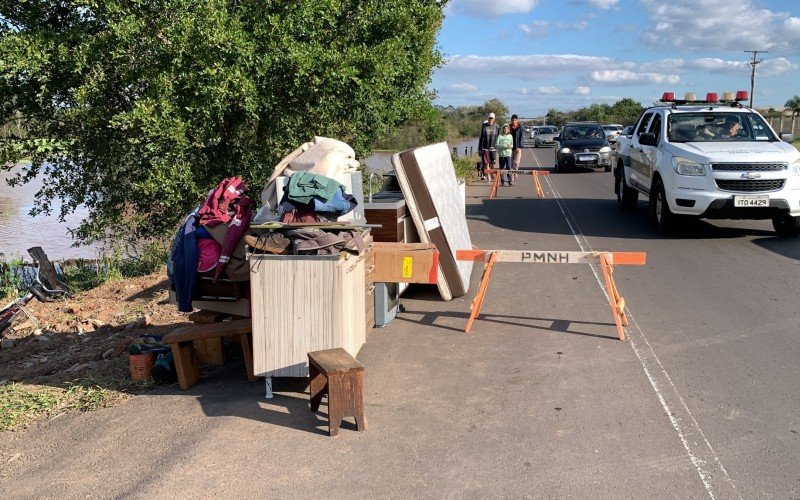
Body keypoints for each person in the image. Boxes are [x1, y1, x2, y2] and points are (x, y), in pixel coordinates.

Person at [478, 112, 500, 181]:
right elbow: (481, 138)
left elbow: (499, 138)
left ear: (494, 119)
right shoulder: (484, 126)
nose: (490, 120)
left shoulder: (497, 127)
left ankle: (490, 173)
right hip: (485, 148)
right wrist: (479, 149)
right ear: (488, 119)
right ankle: (486, 176)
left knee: (492, 163)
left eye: (492, 119)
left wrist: (499, 148)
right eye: (489, 119)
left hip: (493, 149)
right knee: (485, 163)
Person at [509, 114, 524, 180]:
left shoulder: (520, 127)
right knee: (511, 163)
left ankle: (516, 173)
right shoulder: (509, 127)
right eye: (512, 120)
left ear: (517, 120)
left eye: (515, 120)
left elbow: (521, 137)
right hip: (510, 148)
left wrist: (520, 146)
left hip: (518, 147)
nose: (514, 121)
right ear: (511, 120)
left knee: (516, 163)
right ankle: (512, 176)